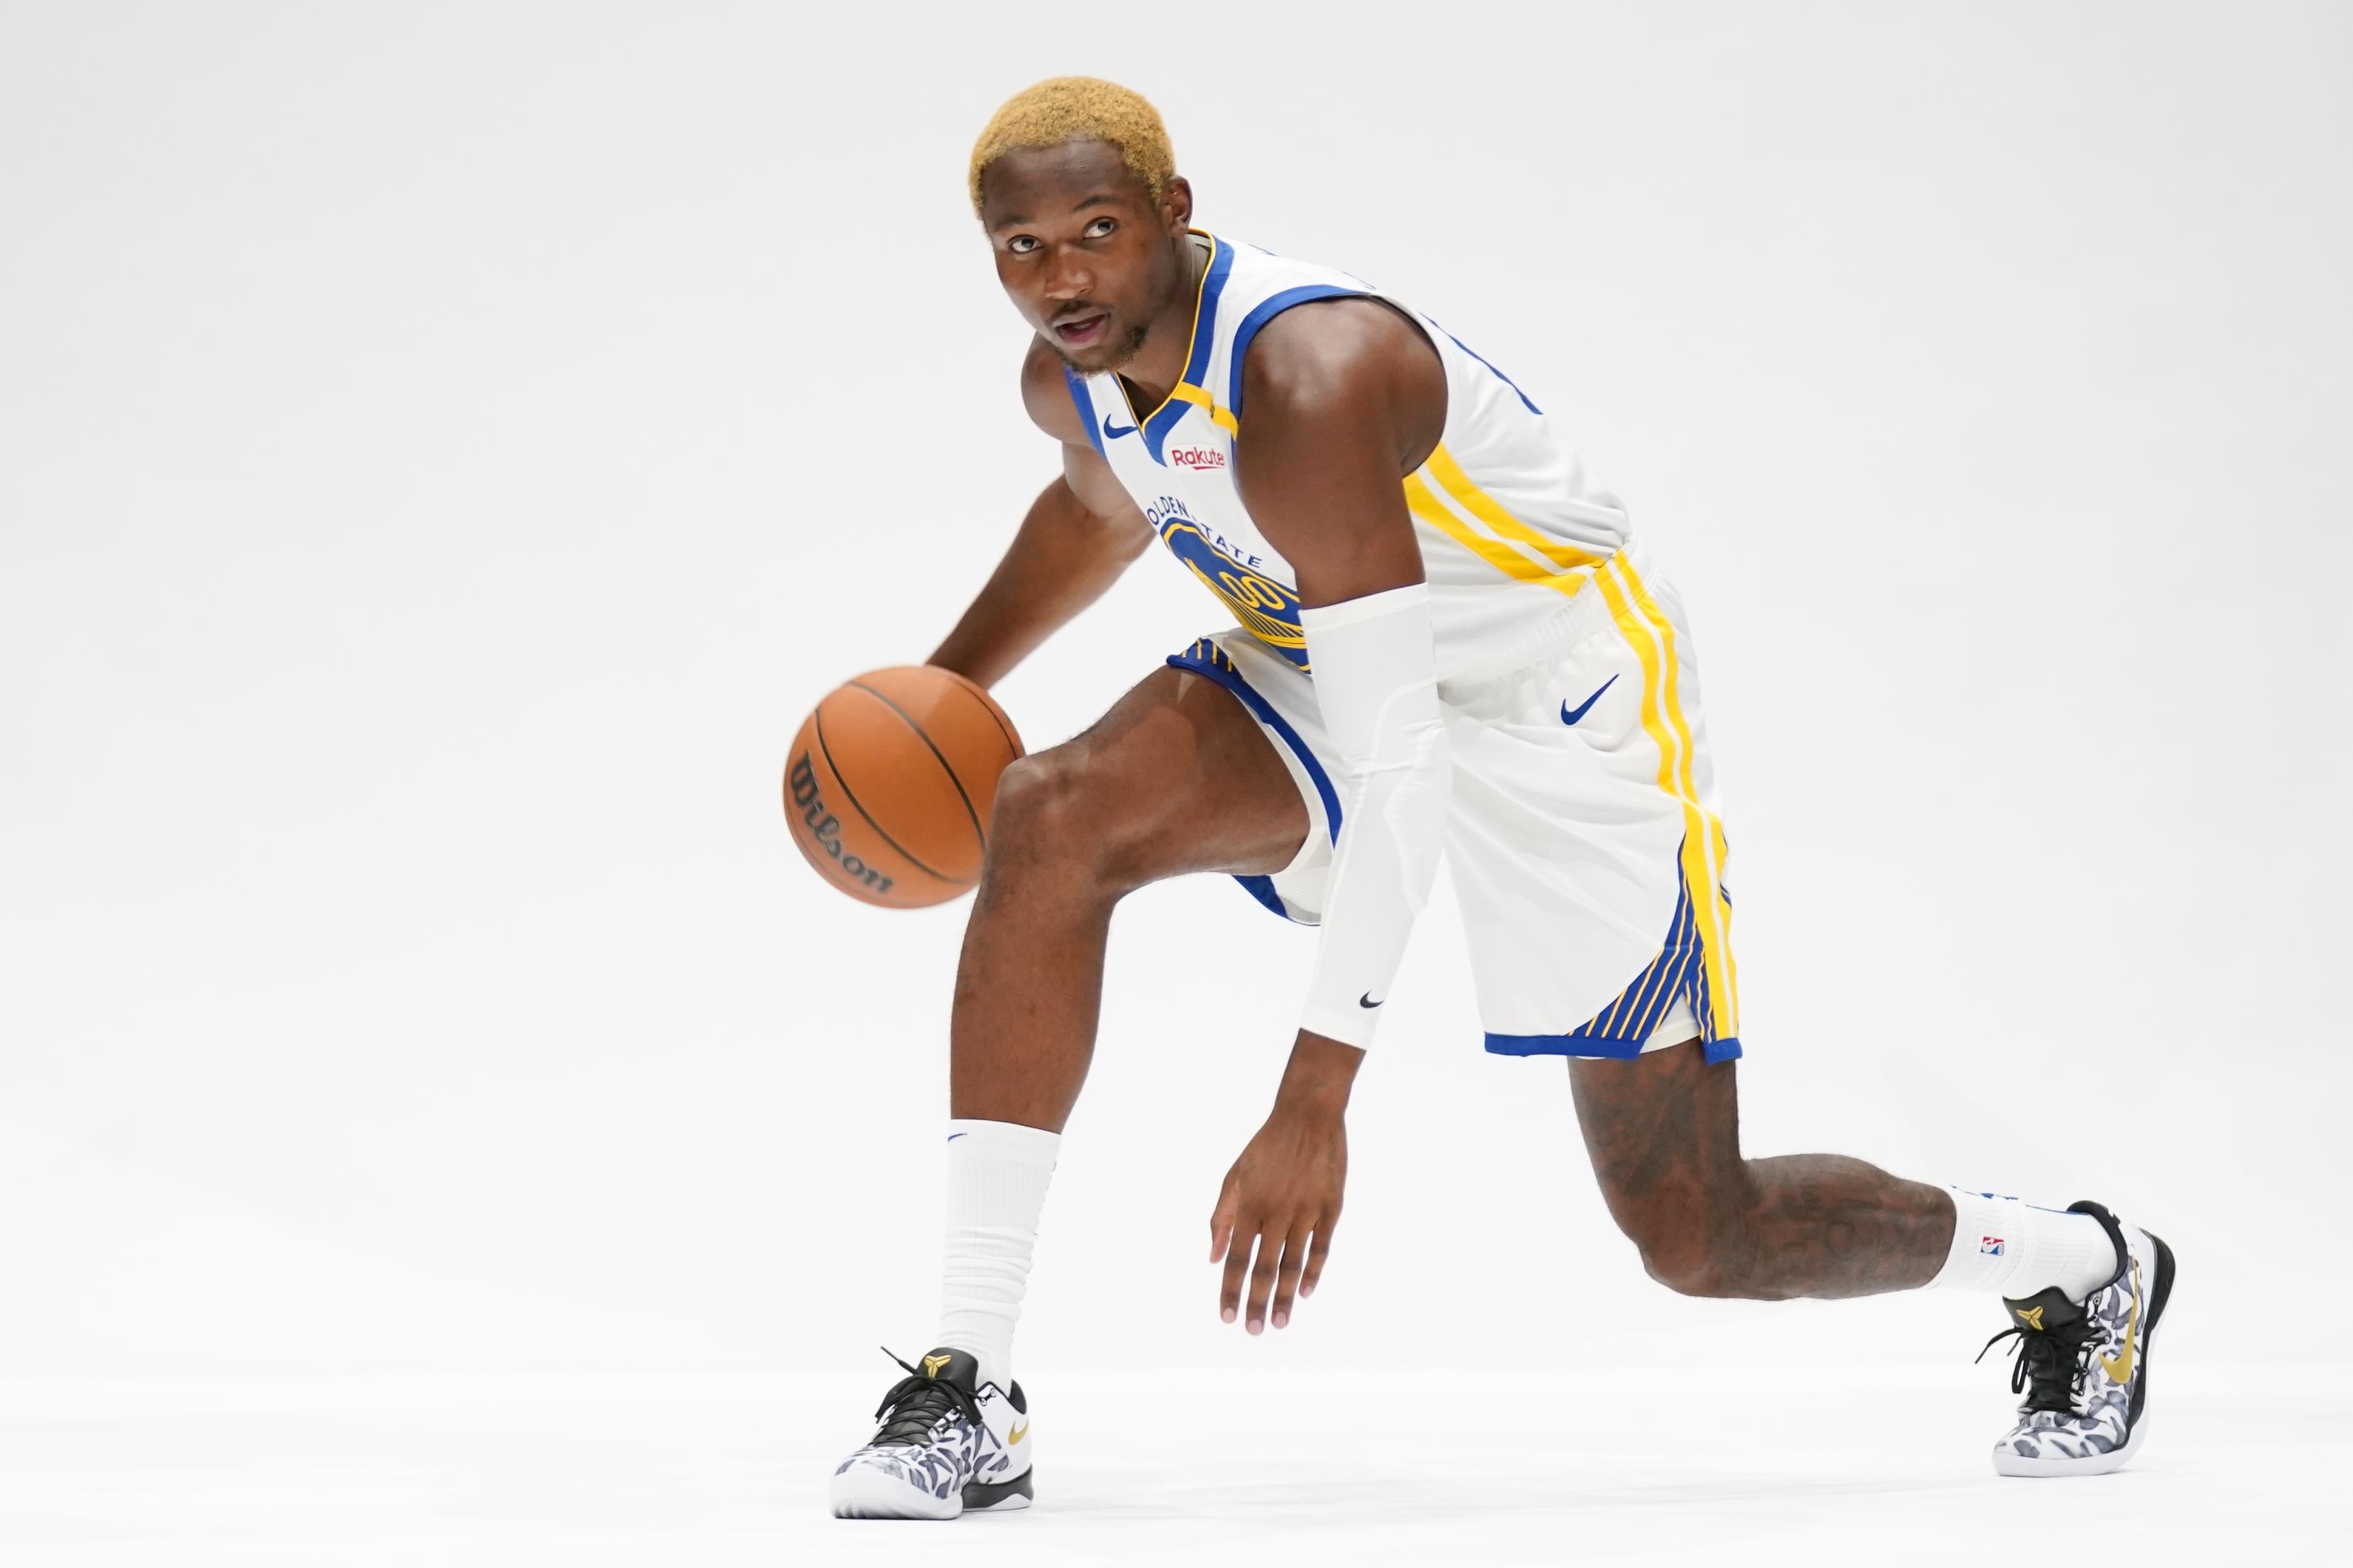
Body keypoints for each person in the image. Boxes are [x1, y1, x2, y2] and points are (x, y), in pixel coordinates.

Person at [825, 77, 2173, 1521]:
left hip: (1556, 700)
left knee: (1694, 1231)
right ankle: (970, 1382)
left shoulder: (1309, 378)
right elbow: (1101, 501)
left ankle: (2083, 1269)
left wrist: (1312, 1101)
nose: (1062, 278)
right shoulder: (1073, 377)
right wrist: (935, 700)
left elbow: (1403, 765)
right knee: (1049, 813)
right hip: (1329, 657)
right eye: (1021, 248)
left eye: (1096, 230)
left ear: (1175, 211)